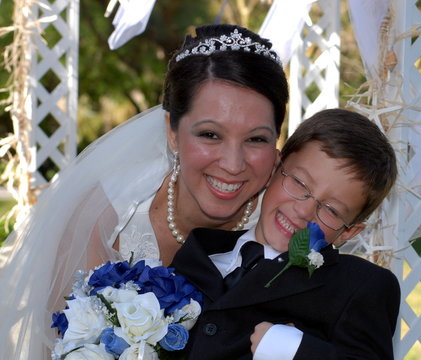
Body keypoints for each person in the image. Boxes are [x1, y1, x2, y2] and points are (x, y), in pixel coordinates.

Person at [0, 24, 288, 360]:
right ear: (172, 132)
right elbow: (60, 346)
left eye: (256, 139)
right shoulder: (106, 215)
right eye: (210, 135)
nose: (233, 163)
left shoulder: (284, 229)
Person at [171, 108, 401, 359]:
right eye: (299, 183)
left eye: (331, 210)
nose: (304, 211)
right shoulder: (196, 255)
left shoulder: (359, 286)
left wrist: (295, 351)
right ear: (274, 167)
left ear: (349, 232)